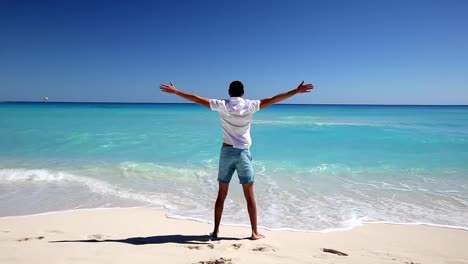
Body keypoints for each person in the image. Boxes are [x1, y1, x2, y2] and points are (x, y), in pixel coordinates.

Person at [160, 80, 314, 240]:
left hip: (226, 152)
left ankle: (215, 231)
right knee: (249, 194)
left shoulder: (222, 105)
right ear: (243, 92)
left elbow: (197, 99)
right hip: (242, 154)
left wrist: (176, 92)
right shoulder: (250, 105)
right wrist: (296, 91)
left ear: (229, 92)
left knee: (222, 193)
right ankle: (254, 233)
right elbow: (275, 99)